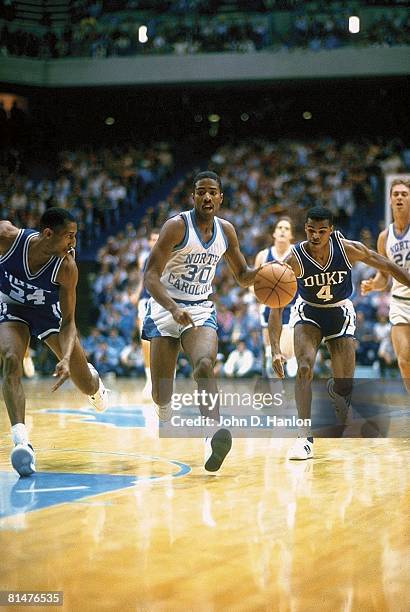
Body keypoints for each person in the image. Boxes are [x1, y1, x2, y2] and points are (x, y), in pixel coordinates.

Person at [269, 206, 410, 460]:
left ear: (330, 231)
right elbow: (275, 305)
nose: (315, 236)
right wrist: (276, 349)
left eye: (322, 231)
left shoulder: (347, 248)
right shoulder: (294, 258)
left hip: (339, 312)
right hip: (308, 312)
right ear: (306, 230)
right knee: (304, 367)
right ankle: (303, 436)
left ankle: (339, 394)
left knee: (345, 384)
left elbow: (385, 263)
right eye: (311, 230)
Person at [143, 171, 262, 472]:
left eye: (213, 192)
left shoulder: (227, 231)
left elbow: (243, 275)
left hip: (198, 309)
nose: (207, 197)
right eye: (201, 192)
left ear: (221, 197)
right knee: (161, 395)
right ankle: (164, 407)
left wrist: (271, 272)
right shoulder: (176, 227)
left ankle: (211, 435)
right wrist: (171, 307)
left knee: (205, 365)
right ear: (193, 196)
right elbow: (149, 276)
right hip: (164, 308)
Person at [0, 208, 108, 477]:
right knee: (12, 360)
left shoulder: (67, 267)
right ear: (48, 234)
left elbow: (69, 321)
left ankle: (95, 384)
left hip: (49, 315)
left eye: (75, 236)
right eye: (69, 236)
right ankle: (22, 442)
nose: (74, 243)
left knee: (85, 383)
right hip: (12, 307)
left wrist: (66, 357)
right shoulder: (6, 236)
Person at [361, 179, 410, 392]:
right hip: (400, 303)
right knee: (403, 360)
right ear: (390, 200)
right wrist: (373, 284)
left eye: (404, 194)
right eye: (396, 194)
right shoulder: (384, 237)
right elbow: (384, 277)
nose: (399, 197)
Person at [253, 216, 297, 376]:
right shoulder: (263, 256)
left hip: (291, 308)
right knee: (270, 351)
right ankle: (275, 392)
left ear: (291, 236)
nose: (282, 231)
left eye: (286, 228)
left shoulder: (296, 254)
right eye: (280, 228)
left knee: (285, 352)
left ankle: (292, 365)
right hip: (268, 307)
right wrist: (260, 294)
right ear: (274, 233)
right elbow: (253, 284)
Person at [136, 228, 160, 399]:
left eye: (158, 239)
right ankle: (149, 381)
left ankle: (165, 380)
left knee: (166, 341)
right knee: (145, 341)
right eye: (152, 239)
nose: (155, 242)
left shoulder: (170, 256)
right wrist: (136, 293)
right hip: (145, 300)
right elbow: (142, 279)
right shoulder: (144, 259)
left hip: (162, 300)